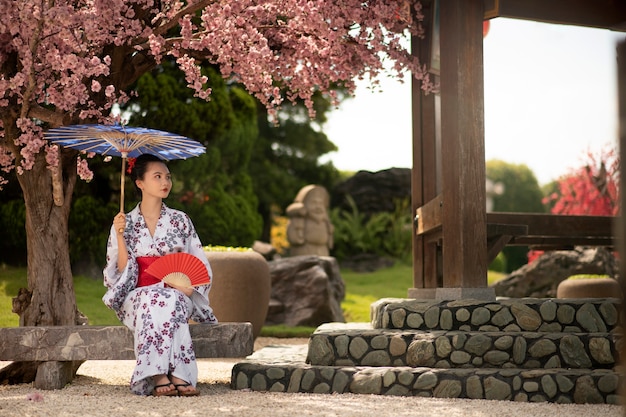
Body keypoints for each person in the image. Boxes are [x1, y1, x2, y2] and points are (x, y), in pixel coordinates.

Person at [102, 153, 217, 397]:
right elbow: (121, 269)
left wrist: (188, 287)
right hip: (137, 296)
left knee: (170, 300)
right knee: (153, 300)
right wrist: (120, 236)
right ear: (140, 183)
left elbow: (198, 263)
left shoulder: (180, 220)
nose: (165, 181)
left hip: (175, 293)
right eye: (157, 176)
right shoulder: (125, 222)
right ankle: (173, 374)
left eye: (167, 176)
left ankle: (160, 374)